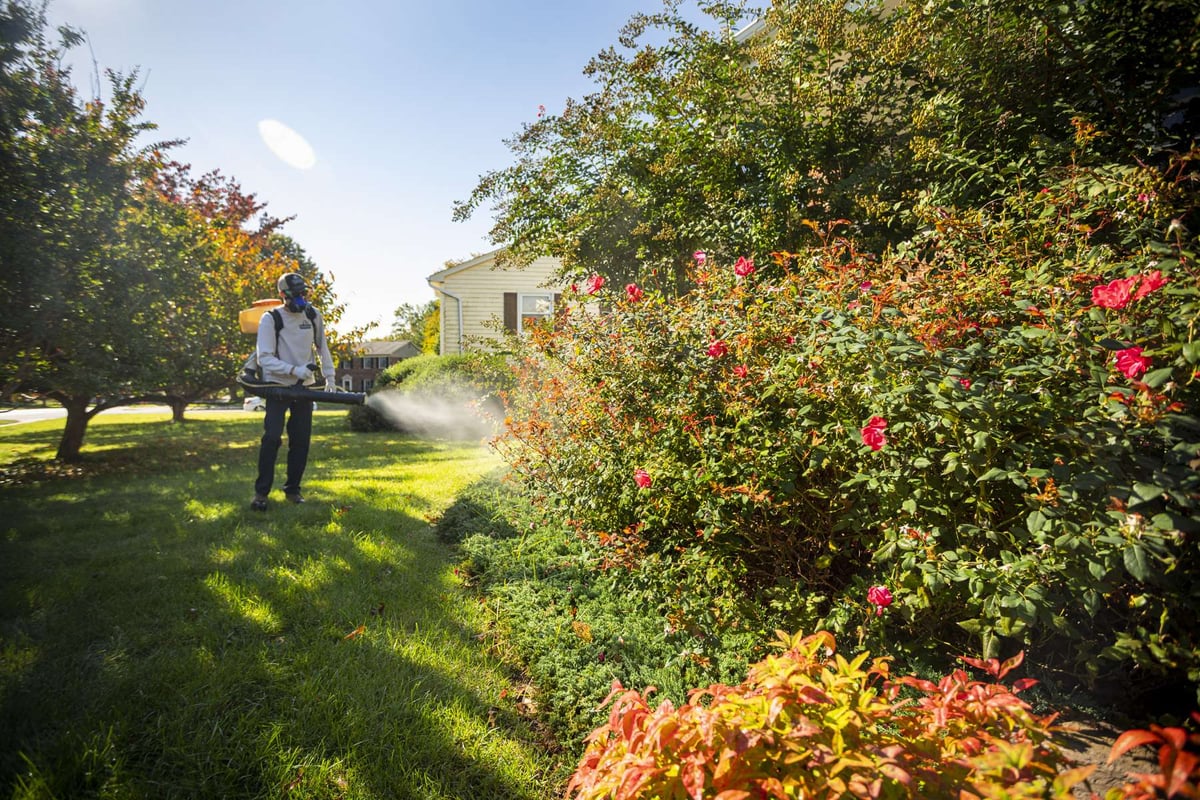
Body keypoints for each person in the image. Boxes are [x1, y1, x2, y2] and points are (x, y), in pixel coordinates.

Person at [250, 273, 336, 511]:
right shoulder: (271, 319)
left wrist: (329, 377)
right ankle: (261, 493)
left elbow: (322, 347)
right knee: (271, 438)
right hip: (278, 386)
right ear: (282, 295)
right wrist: (293, 370)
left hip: (304, 388)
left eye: (302, 294)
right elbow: (264, 358)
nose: (300, 299)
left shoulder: (312, 314)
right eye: (294, 294)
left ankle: (293, 490)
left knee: (301, 440)